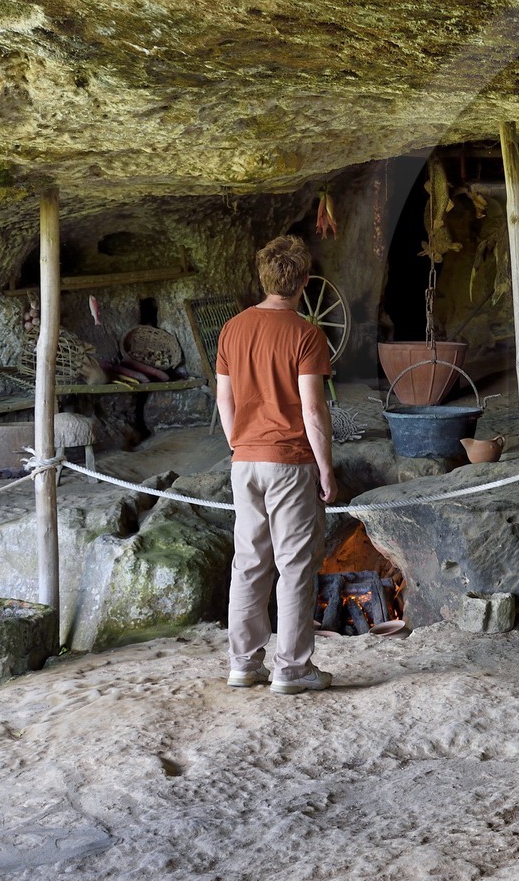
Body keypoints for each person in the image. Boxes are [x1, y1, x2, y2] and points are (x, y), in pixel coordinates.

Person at [216, 234, 337, 695]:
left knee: (249, 564)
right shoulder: (306, 333)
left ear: (262, 278)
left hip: (244, 461)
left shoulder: (233, 328)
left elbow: (225, 399)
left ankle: (243, 664)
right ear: (304, 282)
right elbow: (312, 410)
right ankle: (291, 668)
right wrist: (325, 466)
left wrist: (240, 444)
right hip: (289, 462)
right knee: (294, 565)